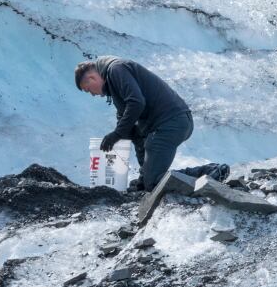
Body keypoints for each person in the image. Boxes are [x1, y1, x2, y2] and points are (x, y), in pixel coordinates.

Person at [75, 57, 194, 191]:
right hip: (168, 124)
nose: (92, 94)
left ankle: (211, 174)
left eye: (88, 89)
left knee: (154, 183)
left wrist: (117, 134)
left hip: (172, 122)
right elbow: (127, 122)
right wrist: (117, 140)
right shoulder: (113, 84)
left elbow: (136, 102)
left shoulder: (116, 69)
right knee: (147, 183)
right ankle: (147, 180)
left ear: (92, 78)